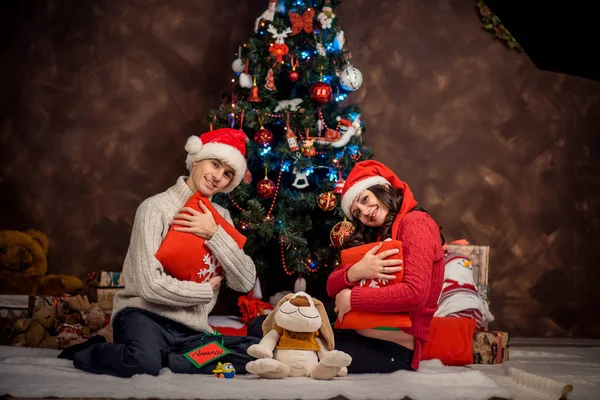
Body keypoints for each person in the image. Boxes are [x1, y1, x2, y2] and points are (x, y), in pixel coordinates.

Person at [59, 128, 260, 377]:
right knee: (143, 362)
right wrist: (204, 291)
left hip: (191, 331)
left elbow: (245, 280)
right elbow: (149, 286)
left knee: (252, 351)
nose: (218, 177)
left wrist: (214, 233)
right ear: (197, 159)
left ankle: (173, 361)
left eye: (228, 173)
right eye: (215, 164)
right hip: (144, 317)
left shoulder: (221, 217)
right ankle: (95, 350)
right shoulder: (154, 208)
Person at [326, 160, 445, 373]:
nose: (364, 212)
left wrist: (353, 299)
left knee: (302, 348)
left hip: (393, 348)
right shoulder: (378, 235)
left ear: (384, 188)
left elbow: (415, 294)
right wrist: (357, 271)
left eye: (364, 199)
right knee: (271, 322)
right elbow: (331, 285)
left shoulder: (416, 223)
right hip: (359, 325)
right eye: (357, 213)